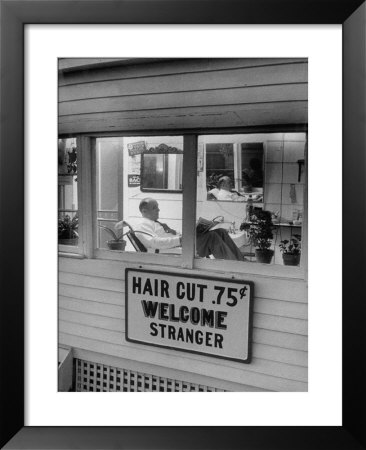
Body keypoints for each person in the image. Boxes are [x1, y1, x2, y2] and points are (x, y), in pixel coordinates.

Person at [116, 198, 246, 261]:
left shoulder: (153, 222)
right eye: (155, 208)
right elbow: (154, 243)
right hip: (175, 250)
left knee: (220, 232)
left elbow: (166, 236)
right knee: (212, 237)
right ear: (144, 211)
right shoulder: (142, 224)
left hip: (180, 243)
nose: (159, 210)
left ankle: (240, 261)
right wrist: (180, 239)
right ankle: (232, 265)